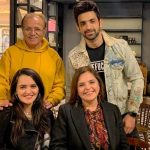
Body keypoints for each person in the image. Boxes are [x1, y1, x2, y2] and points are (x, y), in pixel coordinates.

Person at [67, 0, 144, 139]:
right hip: (89, 120)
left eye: (92, 21)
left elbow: (137, 78)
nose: (88, 27)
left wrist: (132, 113)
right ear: (78, 27)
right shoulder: (74, 56)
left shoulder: (120, 47)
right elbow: (70, 92)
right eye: (83, 23)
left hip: (121, 117)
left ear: (100, 22)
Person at [50, 66, 129, 150]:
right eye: (81, 85)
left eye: (92, 82)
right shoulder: (66, 111)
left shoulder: (113, 110)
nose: (87, 87)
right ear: (76, 90)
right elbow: (57, 146)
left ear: (99, 84)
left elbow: (124, 145)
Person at [0, 12, 65, 110]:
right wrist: (2, 98)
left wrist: (52, 100)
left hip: (42, 112)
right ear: (22, 30)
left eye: (37, 29)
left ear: (44, 31)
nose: (32, 33)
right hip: (13, 112)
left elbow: (59, 85)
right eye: (28, 29)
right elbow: (1, 80)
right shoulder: (10, 53)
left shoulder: (54, 57)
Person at [0, 68, 54, 149]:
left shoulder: (47, 114)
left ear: (39, 89)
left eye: (33, 86)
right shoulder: (6, 114)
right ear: (15, 91)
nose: (28, 91)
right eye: (23, 87)